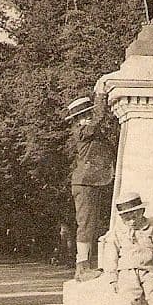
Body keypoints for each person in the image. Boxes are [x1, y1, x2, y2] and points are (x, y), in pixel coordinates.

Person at [66, 94, 115, 281]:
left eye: (87, 115)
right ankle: (82, 268)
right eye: (83, 116)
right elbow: (99, 118)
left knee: (91, 224)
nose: (87, 118)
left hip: (92, 181)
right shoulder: (82, 131)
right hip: (85, 183)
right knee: (86, 224)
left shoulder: (90, 132)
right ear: (77, 120)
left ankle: (86, 265)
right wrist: (101, 97)